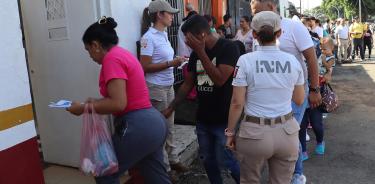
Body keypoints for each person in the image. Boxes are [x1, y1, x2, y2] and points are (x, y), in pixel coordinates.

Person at [67, 16, 171, 184]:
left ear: (95, 45)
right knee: (155, 175)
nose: (90, 56)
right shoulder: (121, 54)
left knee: (105, 172)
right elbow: (124, 96)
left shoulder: (111, 60)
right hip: (154, 123)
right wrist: (94, 102)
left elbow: (118, 103)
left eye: (88, 50)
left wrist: (84, 108)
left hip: (139, 126)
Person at [226, 11, 305, 184]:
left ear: (254, 34)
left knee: (250, 180)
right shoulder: (293, 61)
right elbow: (299, 99)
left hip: (254, 134)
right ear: (279, 33)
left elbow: (237, 103)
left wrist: (230, 132)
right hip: (287, 132)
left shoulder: (245, 60)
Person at [163, 15, 241, 184]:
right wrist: (172, 106)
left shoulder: (228, 48)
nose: (187, 44)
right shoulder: (195, 54)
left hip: (224, 119)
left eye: (189, 39)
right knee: (208, 160)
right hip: (203, 119)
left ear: (202, 36)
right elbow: (187, 84)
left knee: (228, 160)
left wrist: (200, 51)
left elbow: (220, 79)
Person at [250, 1, 322, 184]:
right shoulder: (257, 30)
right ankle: (283, 172)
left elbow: (311, 59)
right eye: (253, 13)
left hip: (294, 92)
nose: (255, 16)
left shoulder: (294, 27)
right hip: (267, 94)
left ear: (271, 6)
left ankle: (296, 175)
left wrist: (314, 89)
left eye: (258, 11)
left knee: (288, 132)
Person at [140, 0, 188, 177]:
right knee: (161, 128)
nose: (172, 16)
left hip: (168, 85)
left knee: (169, 126)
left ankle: (173, 159)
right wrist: (170, 63)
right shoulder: (148, 38)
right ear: (159, 15)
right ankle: (165, 170)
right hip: (156, 88)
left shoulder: (164, 34)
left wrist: (177, 59)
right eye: (169, 13)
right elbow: (144, 66)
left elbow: (164, 59)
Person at [299, 38, 335, 161]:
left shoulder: (321, 58)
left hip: (315, 94)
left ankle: (320, 142)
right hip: (299, 95)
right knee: (301, 125)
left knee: (316, 124)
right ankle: (303, 150)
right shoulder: (295, 58)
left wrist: (328, 75)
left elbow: (329, 72)